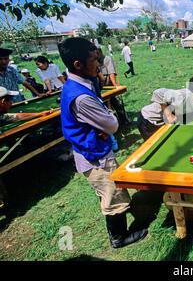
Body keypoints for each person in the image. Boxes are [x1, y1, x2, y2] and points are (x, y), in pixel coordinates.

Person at [57, 37, 147, 248]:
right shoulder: (81, 97)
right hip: (95, 156)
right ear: (78, 64)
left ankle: (118, 227)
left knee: (109, 191)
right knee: (112, 194)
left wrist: (102, 124)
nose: (98, 65)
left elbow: (104, 122)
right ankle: (118, 237)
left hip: (90, 148)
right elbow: (113, 124)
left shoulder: (78, 83)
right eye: (94, 60)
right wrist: (106, 122)